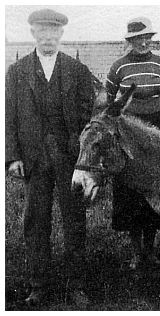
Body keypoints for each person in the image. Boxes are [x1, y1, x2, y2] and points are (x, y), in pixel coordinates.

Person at [5, 9, 95, 307]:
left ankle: (77, 284)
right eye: (41, 31)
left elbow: (87, 116)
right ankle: (38, 285)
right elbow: (9, 119)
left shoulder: (76, 70)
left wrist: (80, 151)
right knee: (35, 221)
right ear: (33, 34)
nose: (47, 37)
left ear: (61, 35)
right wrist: (13, 157)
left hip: (70, 159)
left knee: (74, 220)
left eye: (53, 32)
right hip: (33, 158)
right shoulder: (16, 72)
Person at [105, 16, 160, 269]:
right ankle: (136, 252)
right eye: (138, 38)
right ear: (130, 41)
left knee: (155, 189)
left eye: (147, 37)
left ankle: (151, 249)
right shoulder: (118, 67)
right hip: (128, 134)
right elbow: (109, 102)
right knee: (130, 192)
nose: (144, 42)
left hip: (155, 133)